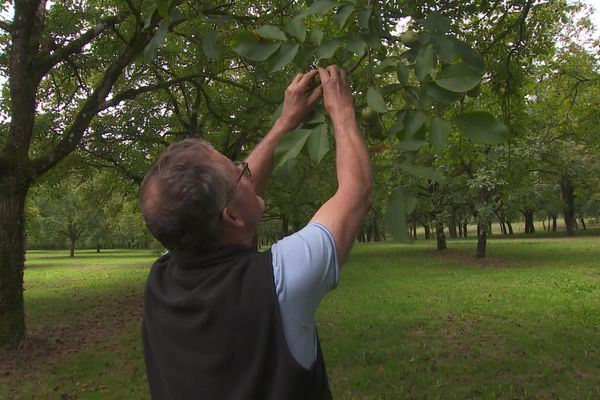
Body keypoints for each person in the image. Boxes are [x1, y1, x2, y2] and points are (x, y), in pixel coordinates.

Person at [139, 65, 372, 400]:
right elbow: (356, 191)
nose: (244, 167)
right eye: (236, 169)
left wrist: (284, 124)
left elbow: (228, 197)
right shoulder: (281, 281)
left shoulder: (162, 276)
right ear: (230, 217)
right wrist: (342, 110)